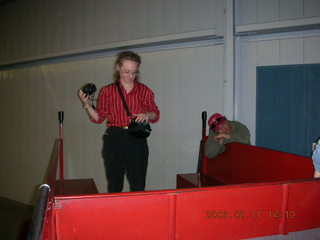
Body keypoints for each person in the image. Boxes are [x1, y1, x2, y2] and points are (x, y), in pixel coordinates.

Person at [78, 51, 160, 193]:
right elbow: (99, 118)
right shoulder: (107, 91)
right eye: (126, 71)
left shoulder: (144, 91)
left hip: (137, 138)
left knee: (138, 184)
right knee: (115, 185)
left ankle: (137, 214)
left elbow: (155, 114)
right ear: (118, 68)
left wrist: (146, 114)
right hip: (114, 138)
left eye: (134, 72)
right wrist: (87, 104)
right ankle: (116, 214)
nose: (130, 76)